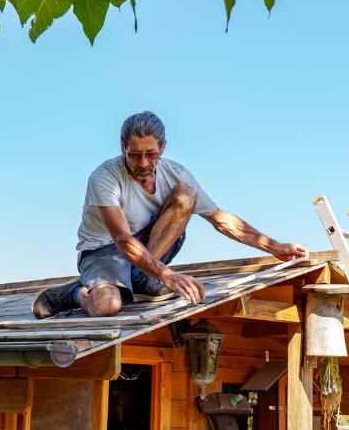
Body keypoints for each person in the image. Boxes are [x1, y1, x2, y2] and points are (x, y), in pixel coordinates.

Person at [32, 111, 308, 319]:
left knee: (186, 195)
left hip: (148, 250)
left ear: (162, 148)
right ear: (122, 149)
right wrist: (166, 275)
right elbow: (122, 240)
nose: (143, 163)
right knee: (108, 305)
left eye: (150, 155)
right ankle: (73, 292)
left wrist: (275, 246)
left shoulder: (176, 172)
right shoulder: (105, 177)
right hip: (105, 251)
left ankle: (142, 280)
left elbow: (220, 219)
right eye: (135, 155)